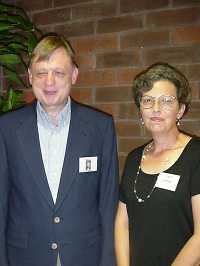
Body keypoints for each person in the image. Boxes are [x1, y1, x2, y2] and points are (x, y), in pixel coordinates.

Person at [0, 33, 119, 266]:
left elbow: (108, 204)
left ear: (74, 75)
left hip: (84, 257)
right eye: (42, 73)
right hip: (24, 257)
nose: (49, 82)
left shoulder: (100, 127)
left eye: (59, 72)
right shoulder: (6, 128)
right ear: (30, 76)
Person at [115, 62, 200, 266]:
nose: (155, 108)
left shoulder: (196, 155)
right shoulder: (134, 157)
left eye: (166, 101)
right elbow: (122, 223)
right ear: (140, 110)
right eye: (148, 100)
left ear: (180, 109)